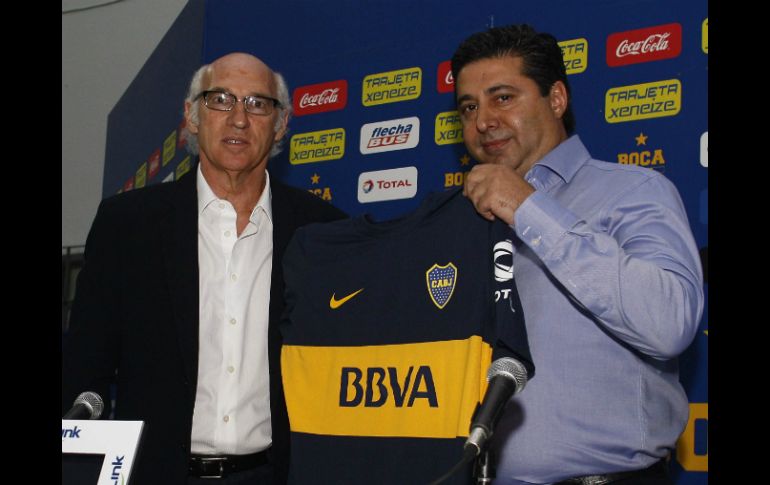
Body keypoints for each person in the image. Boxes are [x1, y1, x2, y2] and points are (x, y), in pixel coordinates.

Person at [62, 53, 346, 485]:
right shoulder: (128, 225)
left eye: (257, 104)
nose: (238, 119)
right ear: (191, 117)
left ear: (281, 125)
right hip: (154, 475)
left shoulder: (322, 230)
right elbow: (86, 367)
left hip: (278, 475)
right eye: (220, 100)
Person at [451, 24, 704, 484]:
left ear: (557, 99)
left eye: (502, 97)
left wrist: (527, 207)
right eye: (469, 106)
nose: (483, 120)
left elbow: (670, 324)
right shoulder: (457, 221)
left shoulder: (634, 191)